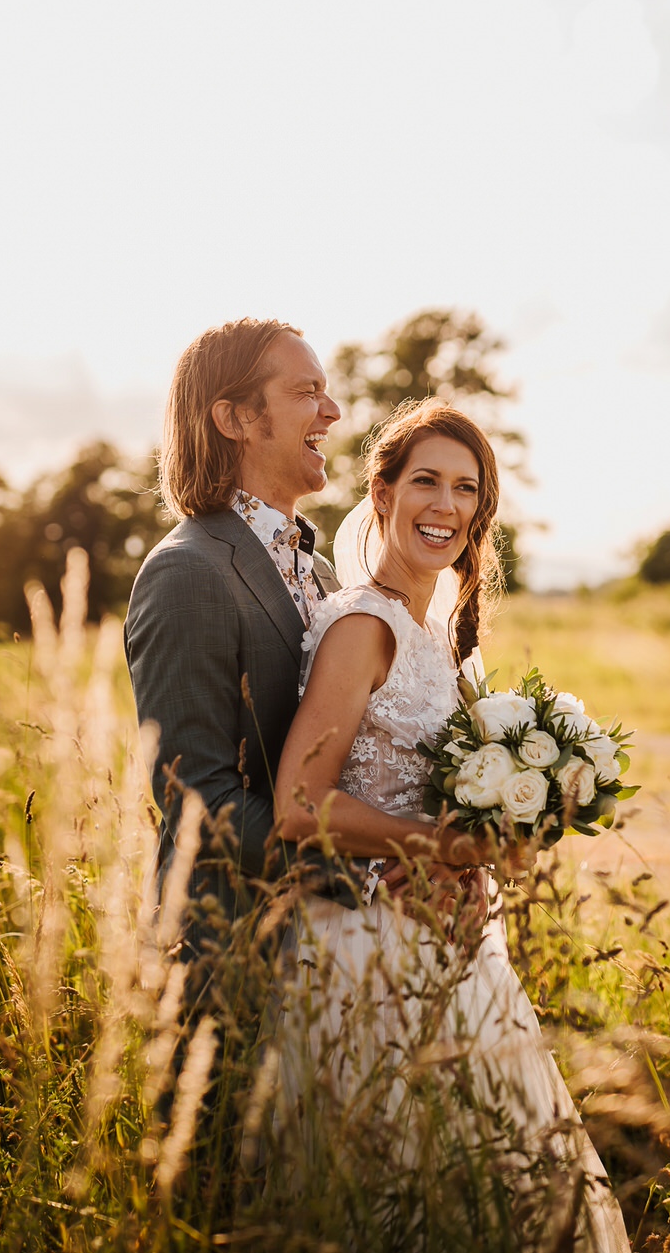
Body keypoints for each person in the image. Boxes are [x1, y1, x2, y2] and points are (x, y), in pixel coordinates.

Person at [270, 398, 642, 1253]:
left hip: (452, 942)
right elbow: (297, 805)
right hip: (371, 945)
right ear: (382, 493)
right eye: (424, 480)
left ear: (481, 513)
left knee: (480, 1169)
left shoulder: (440, 635)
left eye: (465, 488)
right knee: (399, 1178)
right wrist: (449, 847)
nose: (444, 503)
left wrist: (498, 839)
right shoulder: (364, 625)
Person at [124, 319, 481, 974]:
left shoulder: (321, 575)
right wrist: (375, 872)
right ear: (233, 416)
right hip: (233, 954)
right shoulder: (188, 573)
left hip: (344, 957)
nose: (333, 410)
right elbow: (198, 799)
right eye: (306, 391)